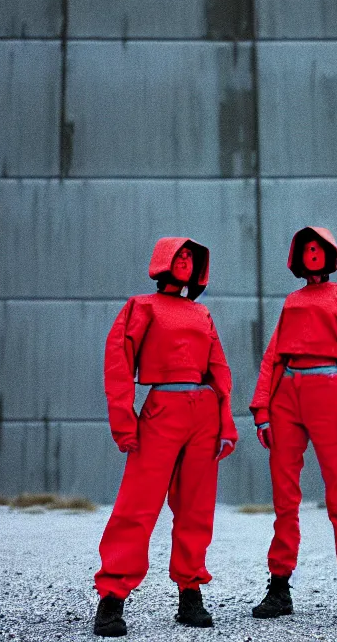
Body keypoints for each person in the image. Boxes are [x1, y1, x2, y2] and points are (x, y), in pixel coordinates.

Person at [93, 237, 238, 637]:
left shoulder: (202, 313)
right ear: (164, 261)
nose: (186, 263)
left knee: (196, 507)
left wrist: (226, 421)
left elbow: (219, 370)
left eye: (192, 258)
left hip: (204, 412)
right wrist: (123, 421)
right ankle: (112, 598)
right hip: (161, 410)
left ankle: (190, 592)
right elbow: (118, 363)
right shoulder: (141, 306)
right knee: (137, 505)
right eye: (181, 256)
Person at [250, 226, 337, 626]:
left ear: (329, 254)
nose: (312, 253)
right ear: (298, 257)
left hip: (329, 394)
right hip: (287, 394)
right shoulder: (291, 301)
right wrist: (262, 408)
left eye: (318, 247)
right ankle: (279, 588)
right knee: (285, 500)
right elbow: (273, 355)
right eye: (306, 248)